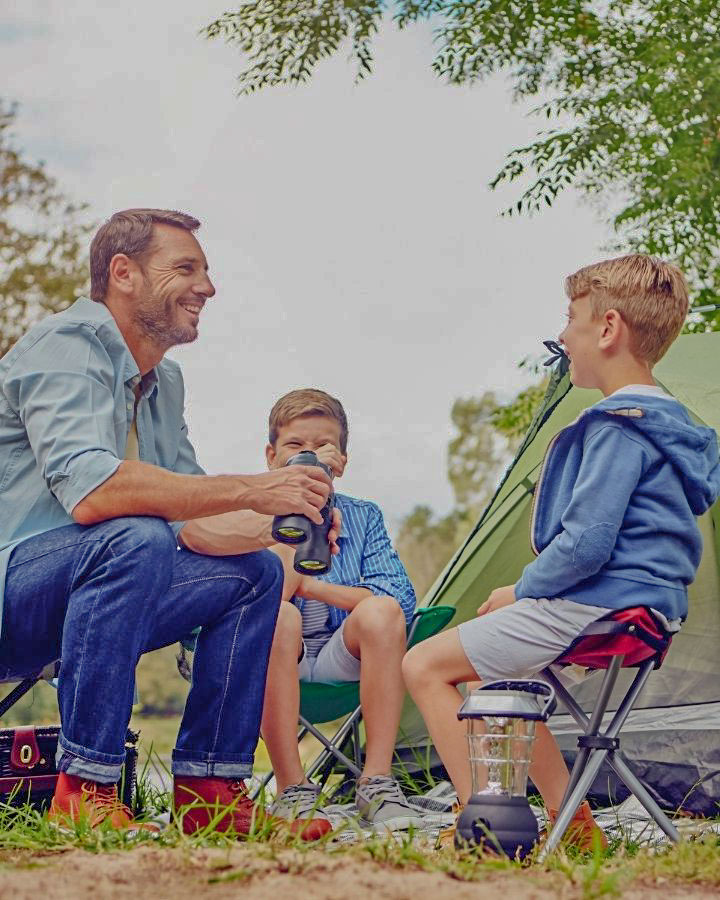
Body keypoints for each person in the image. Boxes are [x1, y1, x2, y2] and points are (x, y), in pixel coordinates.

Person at [0, 209, 338, 839]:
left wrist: (284, 521)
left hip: (101, 593)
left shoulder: (163, 381)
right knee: (135, 535)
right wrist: (255, 487)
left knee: (255, 574)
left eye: (204, 271)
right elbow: (93, 493)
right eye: (186, 268)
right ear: (123, 273)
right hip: (14, 597)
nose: (207, 286)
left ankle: (210, 790)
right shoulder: (66, 345)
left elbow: (195, 523)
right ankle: (86, 788)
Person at [402, 254, 720, 850]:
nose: (564, 336)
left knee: (423, 664)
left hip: (602, 602)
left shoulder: (618, 425)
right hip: (649, 610)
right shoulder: (672, 425)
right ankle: (571, 824)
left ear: (608, 328)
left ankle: (484, 824)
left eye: (571, 320)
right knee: (490, 677)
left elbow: (586, 545)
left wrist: (520, 591)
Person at [258, 389, 426, 834]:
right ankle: (292, 788)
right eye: (296, 446)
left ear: (342, 462)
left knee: (381, 612)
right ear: (272, 457)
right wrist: (295, 512)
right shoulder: (252, 513)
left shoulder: (363, 516)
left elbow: (398, 598)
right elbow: (263, 600)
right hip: (276, 656)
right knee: (280, 617)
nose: (309, 456)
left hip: (342, 654)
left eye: (322, 447)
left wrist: (314, 586)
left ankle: (377, 781)